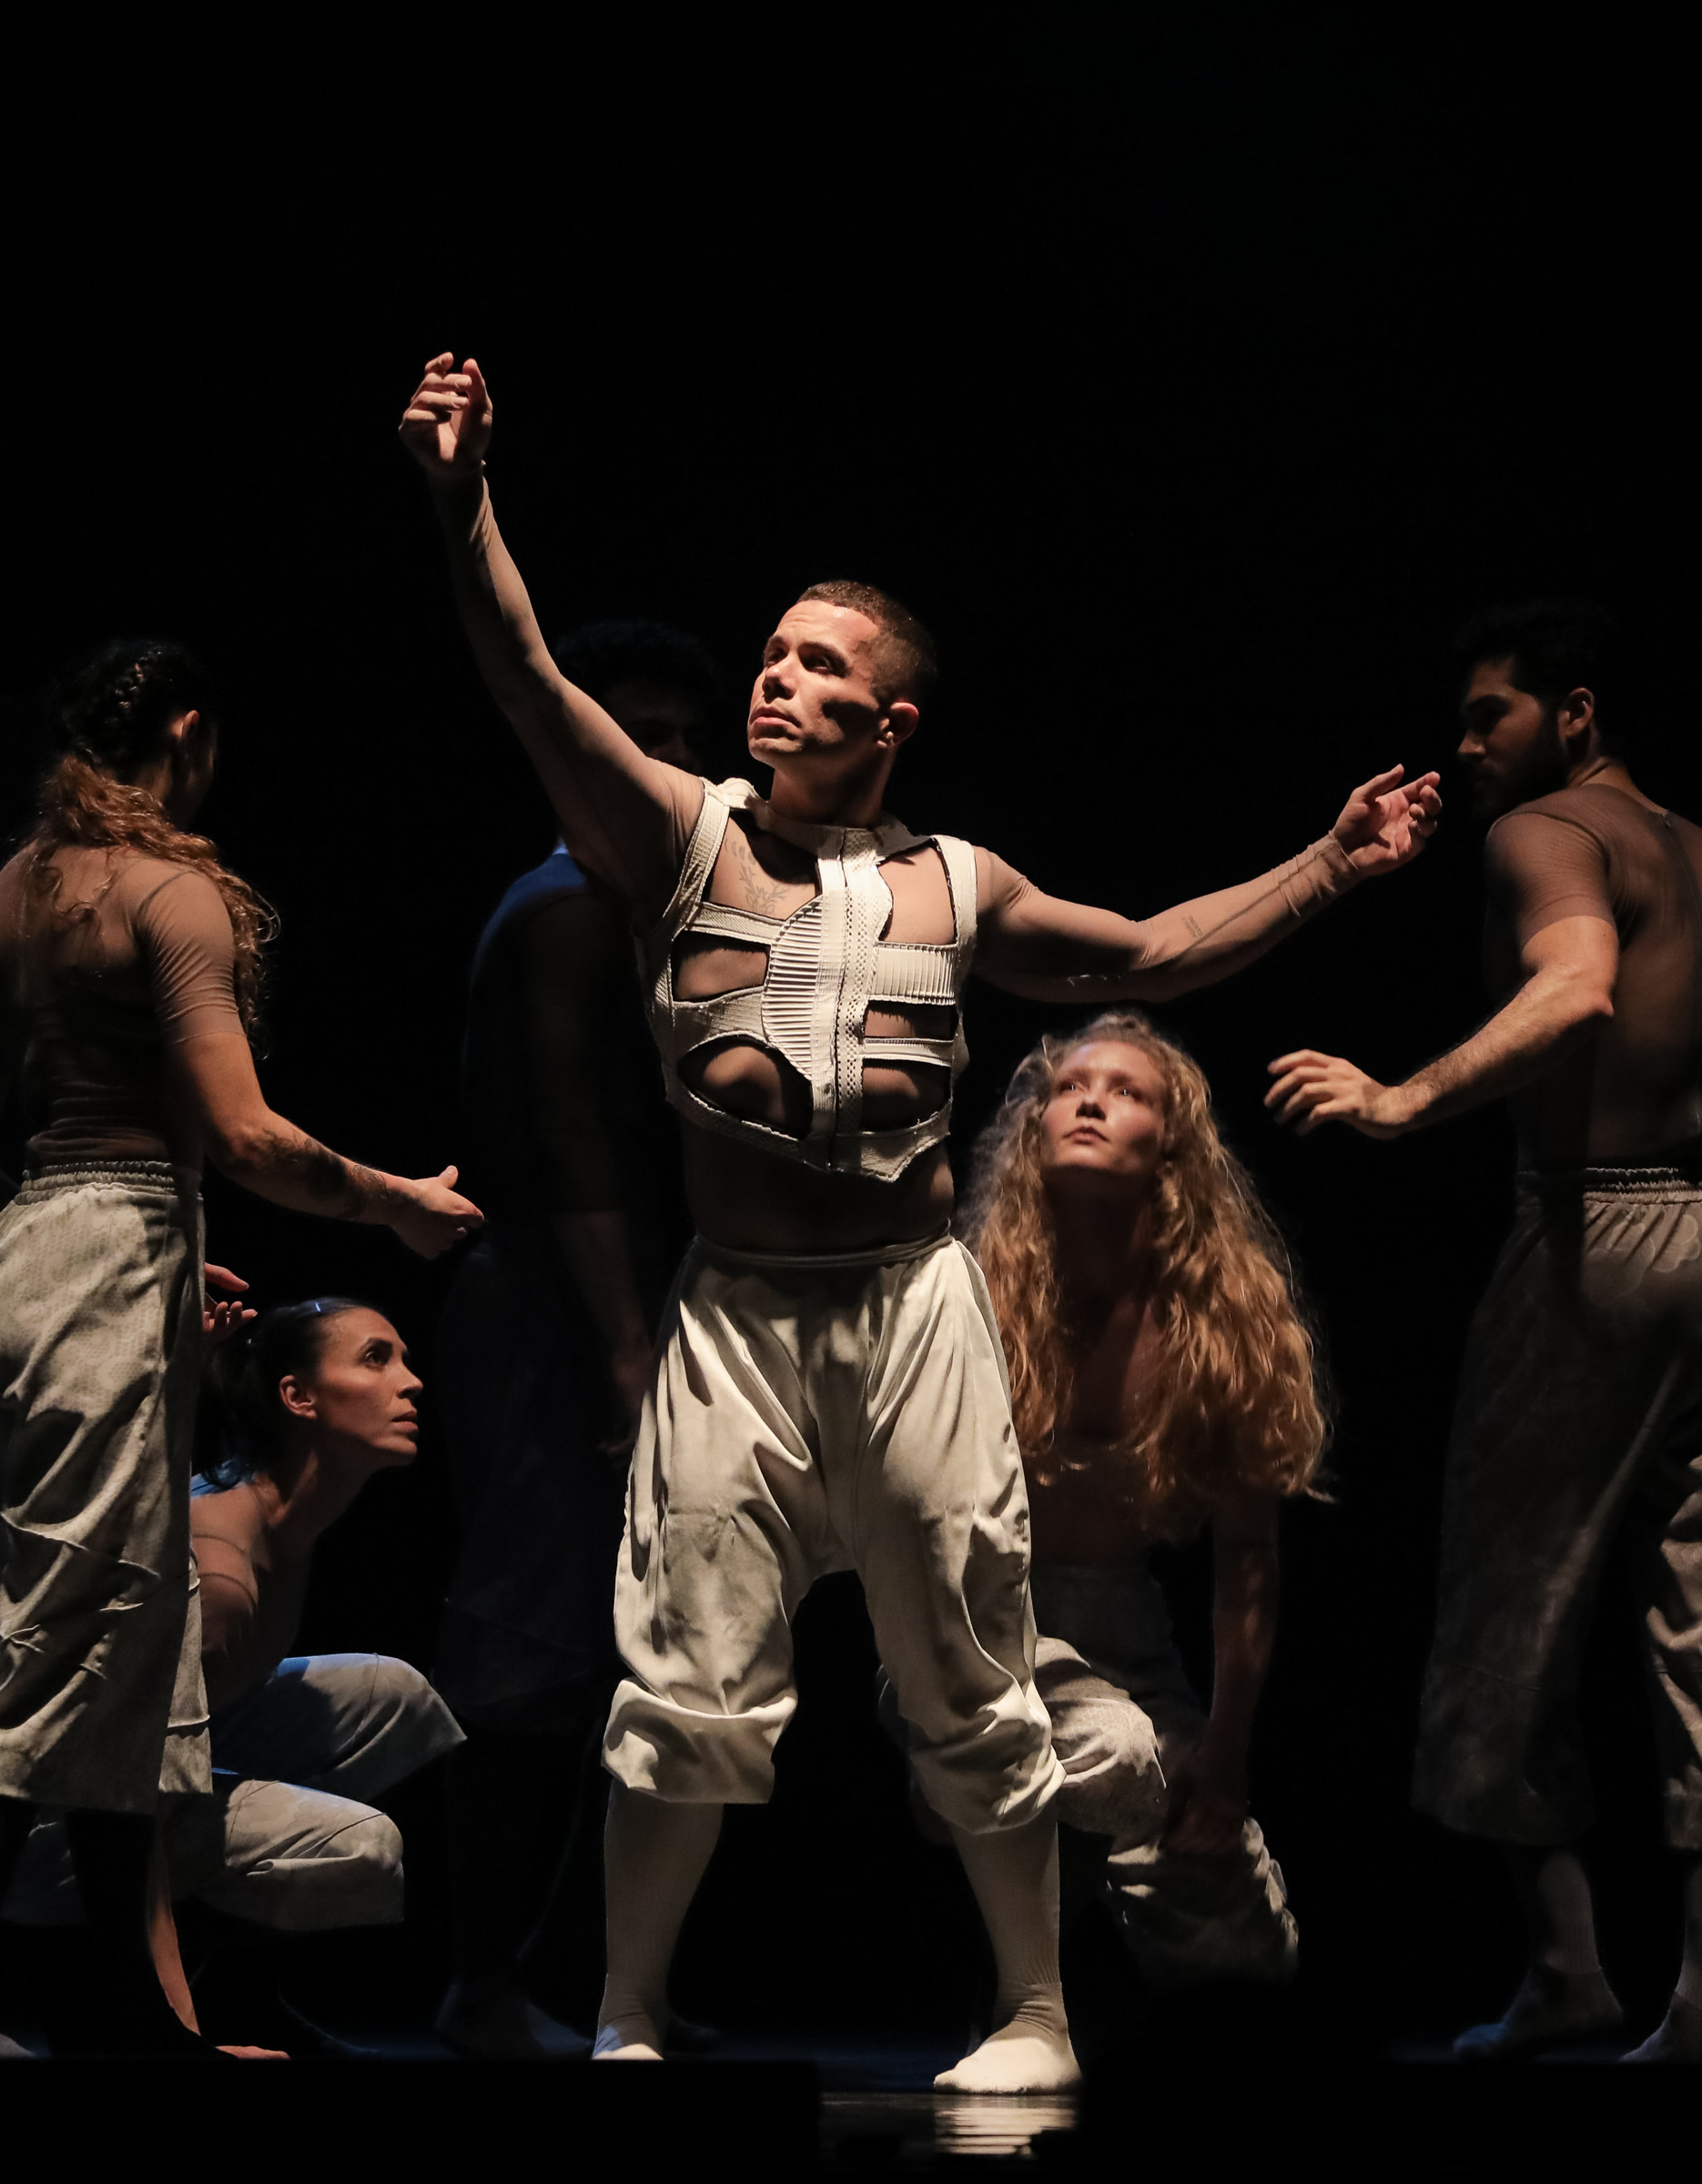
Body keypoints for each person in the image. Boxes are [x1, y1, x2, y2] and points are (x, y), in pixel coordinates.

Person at [397, 352, 1443, 2091]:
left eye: (822, 665)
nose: (777, 678)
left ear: (889, 722)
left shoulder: (962, 886)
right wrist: (463, 498)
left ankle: (1032, 2015)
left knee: (974, 1663)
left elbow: (1155, 955)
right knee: (689, 1681)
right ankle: (630, 2016)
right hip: (737, 1317)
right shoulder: (675, 839)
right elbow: (522, 675)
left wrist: (1328, 866)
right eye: (774, 652)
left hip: (911, 1313)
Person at [1264, 601, 1702, 2065]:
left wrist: (1400, 1100)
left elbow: (1577, 988)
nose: (1464, 750)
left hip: (1599, 1230)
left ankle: (1570, 1971)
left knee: (1508, 1607)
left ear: (1574, 715)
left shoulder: (1547, 837)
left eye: (1488, 719)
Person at [0, 640, 482, 2058]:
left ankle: (142, 2014)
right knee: (71, 1633)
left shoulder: (7, 900)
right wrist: (395, 1200)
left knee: (128, 1646)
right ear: (189, 734)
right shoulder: (174, 894)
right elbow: (245, 1136)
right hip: (107, 1247)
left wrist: (71, 1239)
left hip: (23, 1255)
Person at [427, 621, 719, 2059]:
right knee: (537, 1639)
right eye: (637, 736)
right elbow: (573, 1150)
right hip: (550, 1310)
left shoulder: (624, 913)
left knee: (636, 1654)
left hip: (598, 1300)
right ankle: (487, 1980)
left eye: (680, 739)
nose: (664, 766)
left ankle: (587, 1977)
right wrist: (620, 1349)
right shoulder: (564, 912)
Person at [0, 1295, 471, 2055]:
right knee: (360, 1851)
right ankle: (106, 1997)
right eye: (377, 1359)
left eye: (405, 1360)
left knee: (392, 1697)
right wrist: (168, 2034)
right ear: (297, 1398)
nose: (411, 1382)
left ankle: (241, 1996)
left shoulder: (280, 1513)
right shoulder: (219, 1576)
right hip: (33, 1811)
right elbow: (122, 1798)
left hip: (110, 1768)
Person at [954, 1011, 1329, 1991]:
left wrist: (1224, 1751)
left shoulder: (1222, 1320)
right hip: (982, 1626)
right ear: (1035, 1127)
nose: (1090, 1101)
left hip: (1126, 1635)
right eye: (1073, 1087)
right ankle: (1025, 1992)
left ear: (1172, 1148)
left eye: (1128, 1093)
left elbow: (1248, 1559)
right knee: (1113, 1754)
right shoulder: (970, 1290)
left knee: (1255, 1969)